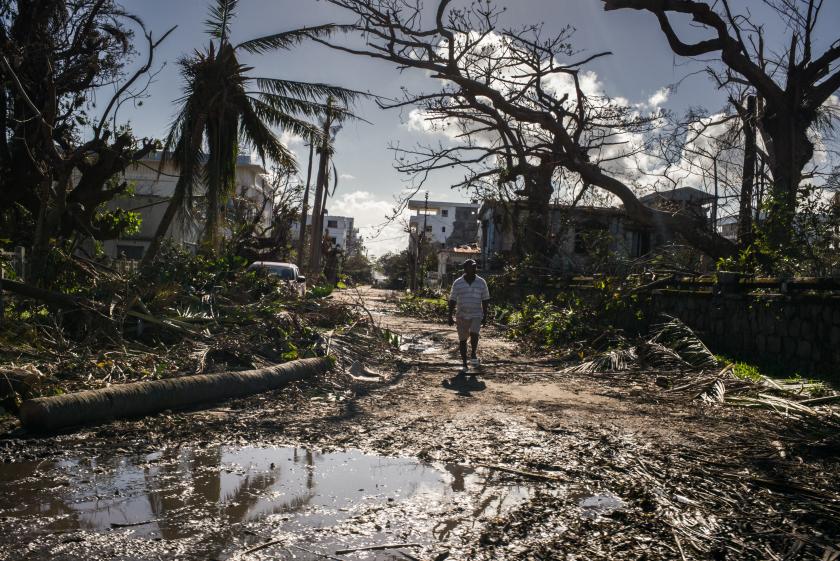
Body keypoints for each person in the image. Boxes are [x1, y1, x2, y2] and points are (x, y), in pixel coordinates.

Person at [447, 259, 490, 373]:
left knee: (475, 333)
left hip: (476, 313)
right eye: (472, 267)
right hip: (461, 314)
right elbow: (452, 299)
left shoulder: (481, 282)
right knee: (463, 340)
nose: (474, 269)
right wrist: (450, 316)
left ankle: (473, 354)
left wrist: (485, 316)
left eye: (475, 267)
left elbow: (485, 299)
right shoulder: (458, 283)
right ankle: (464, 363)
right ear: (465, 269)